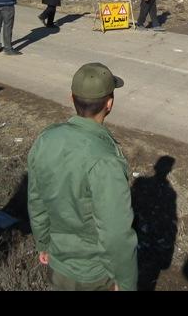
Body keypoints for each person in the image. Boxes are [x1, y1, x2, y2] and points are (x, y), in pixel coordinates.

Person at [27, 62, 137, 291]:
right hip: (95, 275)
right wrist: (126, 283)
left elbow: (36, 200)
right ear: (109, 104)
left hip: (58, 265)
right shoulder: (106, 161)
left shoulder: (46, 139)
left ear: (71, 98)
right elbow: (116, 234)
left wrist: (43, 243)